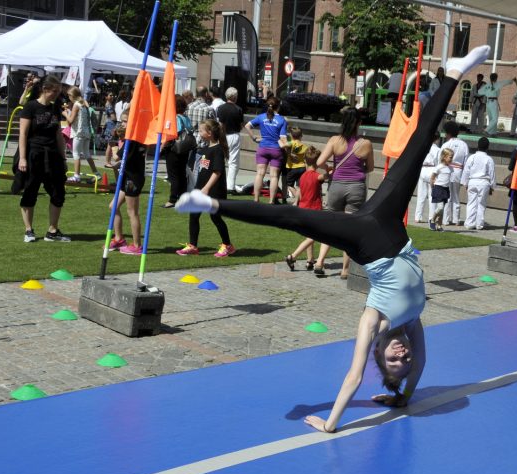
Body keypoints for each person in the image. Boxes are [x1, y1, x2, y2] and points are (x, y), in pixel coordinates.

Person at [174, 45, 492, 432]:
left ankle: (210, 204)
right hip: (392, 225)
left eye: (394, 361)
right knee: (419, 144)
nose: (401, 355)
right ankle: (454, 74)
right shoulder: (413, 324)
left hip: (365, 241)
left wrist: (331, 422)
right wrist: (404, 395)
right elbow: (421, 365)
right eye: (403, 360)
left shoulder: (372, 323)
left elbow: (354, 377)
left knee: (293, 218)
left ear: (380, 354)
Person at [313, 107, 374, 279]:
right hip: (356, 187)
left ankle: (320, 261)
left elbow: (319, 162)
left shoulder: (334, 140)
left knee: (329, 225)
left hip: (336, 186)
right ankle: (345, 269)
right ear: (359, 123)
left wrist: (330, 169)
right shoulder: (366, 143)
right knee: (349, 229)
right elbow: (369, 168)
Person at [13, 75, 70, 243]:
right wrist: (22, 158)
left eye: (59, 92)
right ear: (45, 90)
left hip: (52, 156)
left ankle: (52, 231)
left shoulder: (55, 109)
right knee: (30, 191)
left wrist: (63, 158)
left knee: (58, 192)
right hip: (33, 154)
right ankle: (29, 230)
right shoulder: (30, 107)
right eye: (55, 91)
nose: (57, 95)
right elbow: (22, 134)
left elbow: (58, 135)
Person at [175, 119, 235, 258]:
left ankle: (228, 245)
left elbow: (217, 172)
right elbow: (202, 170)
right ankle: (193, 246)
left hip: (214, 191)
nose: (199, 133)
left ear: (209, 133)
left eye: (201, 130)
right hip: (200, 189)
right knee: (194, 215)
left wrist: (207, 188)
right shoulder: (205, 149)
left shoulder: (218, 150)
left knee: (216, 218)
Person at [285, 147, 326, 270]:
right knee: (315, 236)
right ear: (317, 162)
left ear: (305, 161)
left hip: (303, 209)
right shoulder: (318, 176)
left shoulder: (302, 177)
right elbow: (329, 176)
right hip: (314, 210)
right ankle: (293, 256)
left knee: (309, 236)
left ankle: (310, 261)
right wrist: (328, 169)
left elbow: (300, 193)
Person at [106, 140, 147, 255]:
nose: (123, 124)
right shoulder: (135, 140)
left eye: (124, 122)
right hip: (127, 177)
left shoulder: (132, 141)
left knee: (132, 212)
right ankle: (119, 239)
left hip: (132, 180)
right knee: (113, 207)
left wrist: (114, 148)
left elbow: (116, 157)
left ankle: (137, 245)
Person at [245, 96, 288, 204]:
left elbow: (247, 126)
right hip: (276, 150)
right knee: (274, 176)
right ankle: (271, 201)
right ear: (278, 106)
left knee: (259, 174)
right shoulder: (282, 120)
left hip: (263, 148)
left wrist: (254, 138)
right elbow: (283, 138)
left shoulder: (261, 117)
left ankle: (256, 199)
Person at [63, 86, 99, 182]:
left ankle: (76, 176)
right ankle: (96, 173)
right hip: (86, 132)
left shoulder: (76, 105)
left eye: (69, 96)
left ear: (72, 95)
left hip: (78, 132)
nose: (68, 98)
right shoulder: (84, 103)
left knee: (76, 154)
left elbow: (70, 120)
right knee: (87, 154)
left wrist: (65, 114)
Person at [163, 95, 192, 208]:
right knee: (181, 174)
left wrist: (162, 146)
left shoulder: (175, 118)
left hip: (174, 149)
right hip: (184, 149)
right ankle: (182, 197)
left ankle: (172, 199)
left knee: (173, 175)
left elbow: (172, 134)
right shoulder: (185, 117)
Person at [438, 121, 469, 226]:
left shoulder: (446, 144)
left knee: (447, 196)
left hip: (447, 171)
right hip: (458, 171)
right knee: (455, 196)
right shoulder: (464, 145)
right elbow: (466, 162)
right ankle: (456, 219)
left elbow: (440, 159)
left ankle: (445, 220)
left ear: (449, 133)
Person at [461, 137, 495, 230]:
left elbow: (466, 171)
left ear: (477, 146)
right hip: (484, 182)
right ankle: (479, 224)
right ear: (488, 147)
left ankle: (469, 223)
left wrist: (465, 183)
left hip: (473, 181)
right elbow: (492, 174)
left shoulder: (472, 157)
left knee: (471, 203)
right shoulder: (489, 159)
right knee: (481, 204)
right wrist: (492, 186)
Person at [216, 87, 244, 193]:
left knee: (220, 159)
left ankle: (219, 183)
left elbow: (220, 124)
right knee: (233, 162)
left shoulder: (221, 108)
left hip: (223, 135)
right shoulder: (238, 109)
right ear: (235, 97)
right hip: (234, 135)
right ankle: (230, 186)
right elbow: (241, 125)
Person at [414, 132, 441, 223]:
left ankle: (418, 217)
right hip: (432, 169)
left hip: (423, 169)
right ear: (437, 139)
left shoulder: (424, 147)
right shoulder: (437, 149)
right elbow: (438, 163)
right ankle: (431, 217)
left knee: (421, 195)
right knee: (431, 196)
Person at [429, 148, 453, 232]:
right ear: (444, 157)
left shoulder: (450, 168)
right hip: (438, 188)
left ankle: (439, 225)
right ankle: (432, 219)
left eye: (452, 157)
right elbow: (432, 177)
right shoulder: (439, 167)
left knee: (442, 210)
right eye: (450, 157)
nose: (451, 159)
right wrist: (432, 187)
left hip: (445, 189)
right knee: (440, 207)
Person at [284, 126, 308, 204]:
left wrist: (289, 153)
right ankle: (296, 202)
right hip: (302, 167)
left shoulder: (291, 143)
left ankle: (301, 200)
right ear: (301, 136)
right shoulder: (305, 146)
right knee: (298, 186)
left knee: (289, 185)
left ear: (291, 135)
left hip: (292, 168)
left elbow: (284, 146)